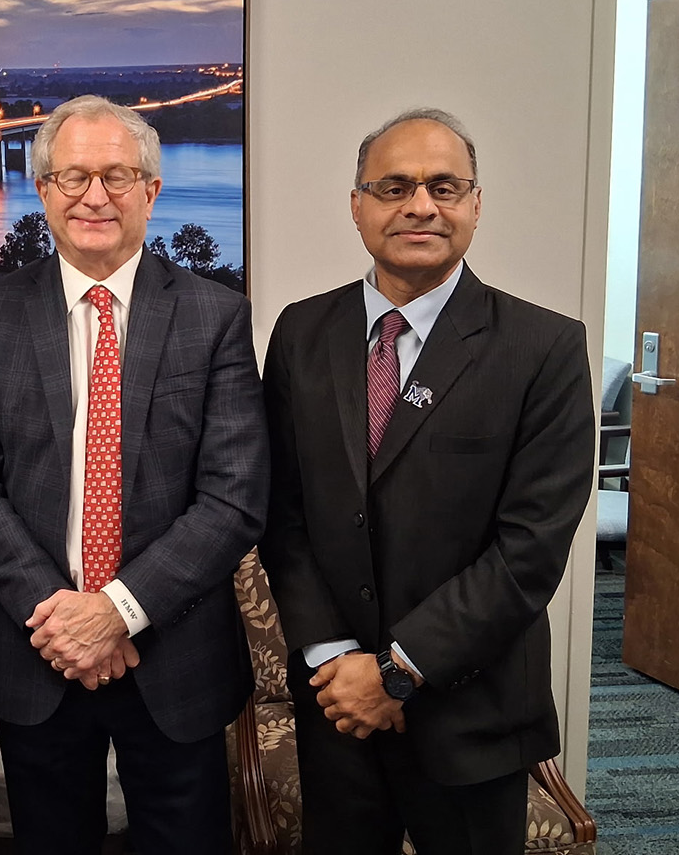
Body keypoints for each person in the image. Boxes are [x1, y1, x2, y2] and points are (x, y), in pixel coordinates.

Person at [259, 108, 595, 853]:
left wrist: (397, 674)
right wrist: (336, 658)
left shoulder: (544, 348)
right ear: (357, 206)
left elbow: (528, 552)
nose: (420, 205)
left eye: (445, 186)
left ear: (476, 204)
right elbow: (282, 517)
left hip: (472, 717)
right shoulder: (300, 333)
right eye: (395, 186)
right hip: (336, 711)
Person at [0, 95, 268, 855]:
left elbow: (234, 495)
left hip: (176, 657)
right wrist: (63, 618)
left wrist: (118, 612)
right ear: (44, 188)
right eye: (74, 176)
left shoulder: (215, 316)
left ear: (152, 191)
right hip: (39, 650)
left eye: (118, 176)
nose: (95, 195)